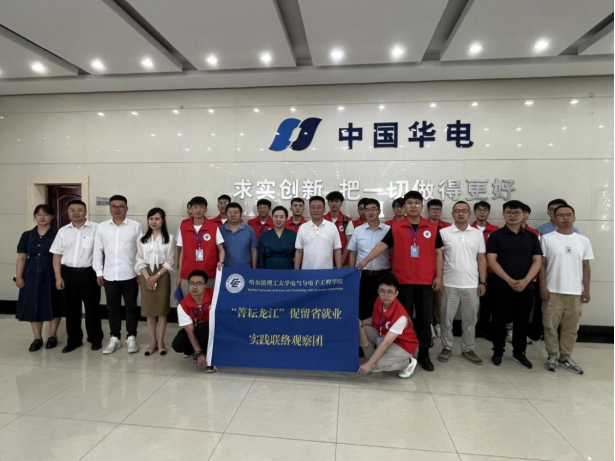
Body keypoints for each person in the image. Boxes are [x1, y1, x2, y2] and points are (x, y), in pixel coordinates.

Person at [358, 191, 443, 372]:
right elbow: (382, 246)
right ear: (404, 207)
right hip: (402, 282)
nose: (413, 206)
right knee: (401, 319)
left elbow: (438, 253)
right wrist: (365, 261)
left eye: (417, 202)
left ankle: (424, 353)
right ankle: (401, 351)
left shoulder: (432, 227)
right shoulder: (396, 228)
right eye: (409, 203)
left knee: (425, 319)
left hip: (425, 282)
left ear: (421, 206)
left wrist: (439, 276)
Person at [487, 200, 542, 369]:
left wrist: (525, 281)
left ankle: (519, 353)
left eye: (516, 212)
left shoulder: (531, 237)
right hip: (500, 286)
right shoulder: (496, 236)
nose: (512, 216)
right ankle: (498, 351)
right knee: (498, 320)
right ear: (503, 214)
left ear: (523, 215)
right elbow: (492, 260)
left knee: (522, 321)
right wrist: (509, 280)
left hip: (526, 287)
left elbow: (537, 260)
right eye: (509, 212)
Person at [540, 205, 593, 374]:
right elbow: (541, 265)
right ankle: (552, 356)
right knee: (550, 326)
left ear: (574, 217)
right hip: (553, 290)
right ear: (554, 218)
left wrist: (586, 289)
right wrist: (543, 286)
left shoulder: (583, 240)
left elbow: (586, 266)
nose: (565, 218)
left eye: (569, 215)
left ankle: (565, 356)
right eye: (561, 215)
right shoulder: (546, 239)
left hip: (575, 291)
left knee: (571, 328)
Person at [437, 201, 487, 365]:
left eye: (464, 211)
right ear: (452, 214)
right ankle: (447, 347)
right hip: (448, 283)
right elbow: (439, 257)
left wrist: (482, 282)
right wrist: (439, 278)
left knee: (470, 320)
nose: (460, 213)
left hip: (471, 284)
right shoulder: (443, 233)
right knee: (446, 319)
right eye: (457, 211)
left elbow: (481, 258)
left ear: (469, 214)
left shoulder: (477, 234)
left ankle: (468, 348)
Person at [51, 200, 103, 353]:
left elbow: (103, 251)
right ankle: (74, 340)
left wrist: (100, 272)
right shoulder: (63, 231)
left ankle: (95, 339)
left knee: (92, 308)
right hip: (68, 274)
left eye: (79, 210)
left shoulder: (97, 229)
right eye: (72, 210)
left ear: (85, 212)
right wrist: (58, 277)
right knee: (71, 309)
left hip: (89, 273)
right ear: (67, 213)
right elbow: (57, 256)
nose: (76, 213)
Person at [93, 195, 143, 355]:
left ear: (126, 209)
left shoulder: (135, 226)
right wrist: (99, 272)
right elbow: (97, 250)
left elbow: (141, 251)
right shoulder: (102, 227)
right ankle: (114, 338)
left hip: (130, 274)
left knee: (131, 307)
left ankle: (131, 337)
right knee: (112, 308)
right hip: (109, 275)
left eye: (121, 206)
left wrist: (140, 271)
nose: (117, 209)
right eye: (114, 206)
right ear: (110, 209)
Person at [15, 204, 62, 352]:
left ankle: (52, 335)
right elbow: (22, 257)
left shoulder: (58, 234)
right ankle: (37, 337)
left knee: (54, 302)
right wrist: (19, 276)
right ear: (34, 216)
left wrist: (59, 276)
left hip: (52, 271)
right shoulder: (27, 235)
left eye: (46, 214)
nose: (42, 217)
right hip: (31, 273)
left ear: (52, 217)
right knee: (33, 303)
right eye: (39, 214)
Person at [358, 275, 419, 379]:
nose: (385, 295)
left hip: (403, 344)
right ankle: (373, 360)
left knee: (382, 364)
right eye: (382, 291)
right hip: (384, 335)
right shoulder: (379, 300)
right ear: (378, 291)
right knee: (360, 329)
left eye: (390, 292)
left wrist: (367, 365)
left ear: (396, 293)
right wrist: (361, 322)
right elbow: (375, 319)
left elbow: (385, 343)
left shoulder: (401, 317)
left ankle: (408, 362)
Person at [136, 208, 175, 356]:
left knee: (162, 309)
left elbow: (170, 260)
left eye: (157, 219)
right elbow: (139, 259)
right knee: (149, 310)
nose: (154, 221)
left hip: (162, 274)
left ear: (163, 220)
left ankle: (161, 342)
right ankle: (152, 342)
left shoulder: (169, 238)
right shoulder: (142, 239)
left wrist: (156, 276)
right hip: (146, 273)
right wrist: (147, 278)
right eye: (151, 218)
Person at [348, 199, 391, 320]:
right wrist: (352, 274)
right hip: (364, 276)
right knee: (364, 308)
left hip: (383, 275)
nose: (370, 212)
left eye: (373, 209)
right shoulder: (358, 230)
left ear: (379, 211)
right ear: (363, 212)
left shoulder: (388, 230)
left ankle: (381, 331)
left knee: (383, 309)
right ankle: (363, 331)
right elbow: (352, 253)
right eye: (367, 210)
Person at [177, 196, 225, 293]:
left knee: (208, 300)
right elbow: (182, 252)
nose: (198, 210)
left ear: (206, 210)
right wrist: (179, 276)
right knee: (188, 300)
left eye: (201, 207)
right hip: (187, 273)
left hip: (208, 272)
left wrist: (221, 262)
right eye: (195, 207)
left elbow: (221, 249)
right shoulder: (184, 226)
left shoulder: (213, 226)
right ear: (190, 209)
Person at [172, 270, 217, 373]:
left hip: (215, 329)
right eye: (192, 284)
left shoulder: (215, 296)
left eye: (199, 283)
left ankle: (211, 356)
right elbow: (190, 332)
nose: (195, 287)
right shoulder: (183, 305)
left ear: (205, 285)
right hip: (198, 330)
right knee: (178, 343)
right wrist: (198, 352)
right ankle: (198, 351)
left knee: (202, 329)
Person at [472, 201, 500, 338]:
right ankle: (471, 329)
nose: (482, 212)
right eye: (479, 210)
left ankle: (484, 328)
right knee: (471, 303)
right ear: (474, 212)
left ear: (489, 212)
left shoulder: (495, 230)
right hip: (471, 271)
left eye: (485, 210)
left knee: (488, 303)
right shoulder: (468, 229)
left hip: (491, 272)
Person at [295, 196, 342, 270]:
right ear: (309, 209)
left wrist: (339, 271)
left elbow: (337, 250)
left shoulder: (332, 226)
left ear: (324, 209)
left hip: (327, 271)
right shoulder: (303, 228)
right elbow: (299, 251)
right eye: (313, 207)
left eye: (319, 207)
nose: (315, 210)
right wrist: (296, 271)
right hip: (307, 271)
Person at [221, 202, 258, 269]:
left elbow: (253, 250)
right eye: (230, 213)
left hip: (245, 269)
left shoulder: (250, 230)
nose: (233, 215)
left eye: (236, 212)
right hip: (226, 270)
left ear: (241, 214)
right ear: (226, 215)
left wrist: (254, 269)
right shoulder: (220, 230)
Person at [325, 191, 354, 265]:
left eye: (337, 201)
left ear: (341, 203)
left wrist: (342, 258)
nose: (334, 204)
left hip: (343, 262)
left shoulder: (347, 221)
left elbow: (349, 242)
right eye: (331, 201)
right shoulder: (323, 220)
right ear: (328, 203)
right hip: (325, 262)